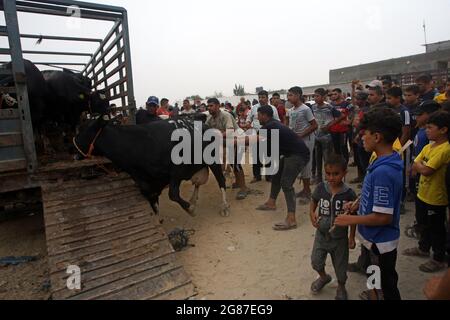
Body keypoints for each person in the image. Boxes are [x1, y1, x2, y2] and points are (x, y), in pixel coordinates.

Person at [335, 107, 403, 300]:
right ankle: (374, 295)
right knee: (374, 277)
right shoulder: (381, 161)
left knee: (386, 285)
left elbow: (383, 217)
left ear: (377, 137)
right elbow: (373, 198)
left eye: (364, 134)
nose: (360, 138)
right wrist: (357, 205)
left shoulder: (384, 172)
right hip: (373, 240)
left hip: (380, 242)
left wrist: (349, 219)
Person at [404, 111, 450, 273]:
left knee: (437, 228)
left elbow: (426, 170)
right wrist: (419, 165)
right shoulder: (429, 146)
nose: (427, 131)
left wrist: (419, 166)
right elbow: (416, 161)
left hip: (436, 197)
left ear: (443, 130)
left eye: (430, 128)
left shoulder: (445, 149)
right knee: (423, 223)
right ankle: (423, 248)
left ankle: (438, 258)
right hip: (422, 193)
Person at [254, 105, 310, 231]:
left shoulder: (270, 126)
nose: (257, 118)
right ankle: (271, 202)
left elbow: (254, 140)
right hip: (290, 153)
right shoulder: (273, 124)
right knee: (277, 176)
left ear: (264, 115)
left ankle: (291, 219)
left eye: (258, 115)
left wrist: (232, 141)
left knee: (286, 183)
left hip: (297, 155)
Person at [310, 155, 357, 300]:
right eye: (328, 173)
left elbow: (353, 216)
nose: (331, 177)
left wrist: (351, 237)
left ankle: (341, 287)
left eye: (336, 174)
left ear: (344, 173)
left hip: (340, 239)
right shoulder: (321, 188)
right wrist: (311, 214)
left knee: (341, 267)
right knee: (316, 262)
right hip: (321, 236)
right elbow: (314, 201)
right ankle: (323, 277)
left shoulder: (348, 193)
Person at [206, 98, 249, 201]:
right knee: (231, 163)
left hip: (238, 139)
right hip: (228, 142)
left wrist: (216, 134)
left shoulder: (225, 115)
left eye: (211, 106)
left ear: (217, 106)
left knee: (236, 164)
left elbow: (229, 132)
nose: (209, 108)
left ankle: (244, 188)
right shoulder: (209, 119)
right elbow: (206, 131)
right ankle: (238, 183)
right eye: (208, 106)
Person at [286, 87, 318, 203]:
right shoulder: (292, 110)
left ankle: (308, 192)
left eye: (291, 95)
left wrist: (301, 135)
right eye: (288, 95)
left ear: (298, 95)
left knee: (306, 164)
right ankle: (305, 189)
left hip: (306, 140)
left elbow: (314, 125)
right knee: (301, 164)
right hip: (297, 142)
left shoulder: (305, 109)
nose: (288, 98)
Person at [246, 91, 280, 183]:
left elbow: (277, 121)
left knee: (269, 155)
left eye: (263, 97)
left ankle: (270, 176)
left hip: (269, 135)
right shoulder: (253, 108)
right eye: (259, 97)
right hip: (256, 134)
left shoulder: (273, 108)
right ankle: (257, 176)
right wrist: (248, 123)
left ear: (267, 98)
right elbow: (249, 118)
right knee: (256, 156)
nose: (261, 99)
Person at [312, 88, 342, 184]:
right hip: (317, 136)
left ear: (324, 97)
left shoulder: (329, 107)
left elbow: (340, 116)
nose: (315, 98)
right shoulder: (313, 107)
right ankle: (318, 177)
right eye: (314, 96)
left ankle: (327, 177)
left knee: (327, 158)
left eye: (318, 96)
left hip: (327, 137)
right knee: (317, 158)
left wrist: (329, 125)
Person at [329, 88, 351, 163]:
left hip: (343, 130)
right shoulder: (331, 105)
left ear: (340, 94)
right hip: (333, 130)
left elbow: (354, 111)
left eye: (335, 94)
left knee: (344, 147)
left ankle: (345, 163)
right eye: (332, 94)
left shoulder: (346, 104)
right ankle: (339, 163)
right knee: (336, 148)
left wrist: (349, 121)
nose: (334, 96)